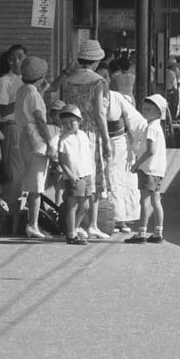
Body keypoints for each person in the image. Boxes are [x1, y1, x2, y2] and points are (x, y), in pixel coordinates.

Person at [59, 39, 111, 239]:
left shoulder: (70, 79)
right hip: (90, 132)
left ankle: (77, 224)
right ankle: (92, 224)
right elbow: (99, 113)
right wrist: (106, 139)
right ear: (96, 61)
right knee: (93, 176)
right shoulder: (99, 81)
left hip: (71, 131)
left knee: (77, 175)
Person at [97, 63, 145, 233]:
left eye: (106, 76)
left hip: (120, 144)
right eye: (99, 76)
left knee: (121, 180)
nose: (103, 80)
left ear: (110, 79)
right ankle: (106, 220)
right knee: (104, 179)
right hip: (99, 142)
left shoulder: (118, 97)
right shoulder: (92, 98)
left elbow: (134, 119)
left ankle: (122, 220)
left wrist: (145, 131)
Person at [15, 56, 57, 240]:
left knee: (33, 183)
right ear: (40, 76)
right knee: (36, 185)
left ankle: (34, 223)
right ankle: (33, 224)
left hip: (24, 138)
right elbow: (40, 119)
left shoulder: (23, 90)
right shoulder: (34, 95)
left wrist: (42, 89)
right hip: (36, 141)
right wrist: (49, 143)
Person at [127, 94, 168, 244]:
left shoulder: (151, 128)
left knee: (144, 201)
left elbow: (150, 150)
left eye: (149, 109)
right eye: (144, 108)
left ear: (158, 112)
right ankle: (158, 232)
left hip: (147, 168)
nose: (145, 111)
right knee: (156, 201)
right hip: (158, 169)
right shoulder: (157, 127)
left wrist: (137, 164)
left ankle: (141, 233)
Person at [0, 44, 27, 215]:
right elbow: (3, 110)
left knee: (24, 173)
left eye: (20, 57)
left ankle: (19, 212)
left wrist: (65, 73)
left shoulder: (29, 80)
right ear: (8, 61)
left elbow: (50, 89)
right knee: (13, 173)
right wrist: (22, 98)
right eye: (12, 58)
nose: (16, 61)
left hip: (27, 129)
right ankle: (8, 213)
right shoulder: (3, 81)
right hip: (12, 127)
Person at [57, 104, 94, 244]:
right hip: (73, 176)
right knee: (72, 206)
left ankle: (73, 229)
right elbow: (62, 161)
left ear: (79, 121)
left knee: (85, 206)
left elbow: (86, 155)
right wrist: (70, 175)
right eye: (64, 123)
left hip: (86, 175)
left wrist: (90, 173)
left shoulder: (84, 135)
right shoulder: (63, 140)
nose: (68, 125)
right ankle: (71, 235)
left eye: (71, 122)